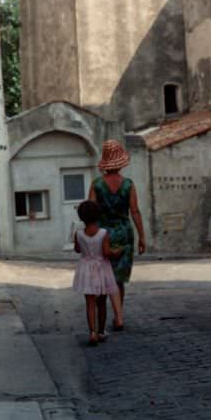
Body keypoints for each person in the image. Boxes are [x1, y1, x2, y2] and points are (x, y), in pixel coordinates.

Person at [89, 139, 146, 328]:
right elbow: (135, 211)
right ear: (120, 161)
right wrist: (142, 237)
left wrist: (88, 235)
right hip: (124, 234)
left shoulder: (97, 184)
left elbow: (91, 211)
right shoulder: (128, 184)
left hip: (102, 235)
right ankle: (118, 316)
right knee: (118, 278)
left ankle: (101, 319)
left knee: (102, 277)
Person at [72, 199, 124, 346]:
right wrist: (117, 252)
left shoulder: (79, 234)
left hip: (86, 269)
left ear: (81, 217)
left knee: (89, 302)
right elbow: (107, 252)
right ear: (98, 215)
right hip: (102, 269)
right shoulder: (103, 233)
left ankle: (92, 333)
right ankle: (101, 331)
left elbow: (77, 250)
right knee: (101, 302)